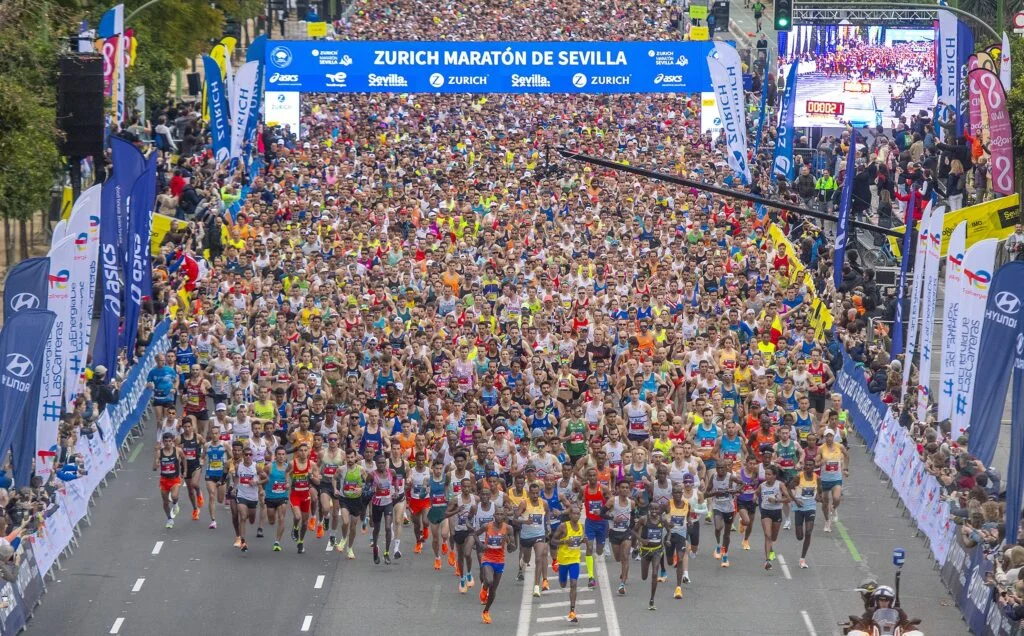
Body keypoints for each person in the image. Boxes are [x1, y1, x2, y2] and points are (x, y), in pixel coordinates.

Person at [477, 507, 517, 625]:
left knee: (494, 589)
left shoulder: (508, 528)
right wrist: (481, 545)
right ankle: (484, 588)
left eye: (501, 514)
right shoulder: (487, 526)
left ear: (504, 516)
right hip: (488, 558)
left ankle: (486, 611)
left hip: (499, 560)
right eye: (497, 514)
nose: (499, 516)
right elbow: (475, 534)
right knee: (489, 580)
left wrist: (509, 542)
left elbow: (512, 549)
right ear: (494, 515)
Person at [551, 501, 585, 622]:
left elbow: (579, 541)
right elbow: (553, 541)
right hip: (563, 560)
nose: (576, 515)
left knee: (574, 584)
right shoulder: (563, 526)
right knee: (563, 584)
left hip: (575, 560)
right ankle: (560, 575)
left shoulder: (581, 527)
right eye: (574, 513)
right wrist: (565, 542)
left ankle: (572, 610)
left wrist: (583, 541)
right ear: (570, 515)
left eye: (578, 513)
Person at [633, 501, 668, 611]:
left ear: (659, 510)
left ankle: (652, 600)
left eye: (656, 509)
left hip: (657, 551)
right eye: (652, 509)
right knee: (644, 577)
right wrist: (641, 540)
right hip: (645, 551)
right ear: (649, 509)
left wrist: (668, 540)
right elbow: (633, 531)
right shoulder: (644, 519)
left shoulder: (662, 520)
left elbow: (669, 531)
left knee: (654, 573)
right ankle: (645, 573)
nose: (654, 511)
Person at [707, 462, 743, 568]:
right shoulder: (713, 477)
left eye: (722, 468)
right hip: (717, 506)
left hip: (729, 508)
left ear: (726, 469)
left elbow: (742, 483)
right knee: (718, 527)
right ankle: (718, 545)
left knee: (727, 534)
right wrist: (714, 493)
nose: (720, 470)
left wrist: (736, 490)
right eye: (718, 468)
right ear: (716, 469)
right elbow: (706, 493)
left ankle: (725, 555)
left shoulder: (730, 477)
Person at [287, 442, 321, 554]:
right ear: (298, 452)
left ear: (309, 452)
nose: (303, 453)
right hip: (295, 495)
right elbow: (286, 474)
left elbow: (317, 481)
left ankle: (301, 542)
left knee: (305, 523)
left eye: (305, 450)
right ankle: (295, 527)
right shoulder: (292, 463)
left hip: (306, 496)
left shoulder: (312, 464)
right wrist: (287, 482)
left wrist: (311, 475)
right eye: (300, 450)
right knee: (297, 517)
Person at [756, 465, 791, 570]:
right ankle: (767, 561)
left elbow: (788, 499)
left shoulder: (780, 485)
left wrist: (777, 500)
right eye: (766, 474)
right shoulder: (762, 486)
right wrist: (754, 498)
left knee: (773, 537)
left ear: (775, 476)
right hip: (765, 512)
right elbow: (756, 494)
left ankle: (771, 549)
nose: (767, 476)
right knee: (768, 534)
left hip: (776, 512)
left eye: (769, 474)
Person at [817, 428, 849, 533]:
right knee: (825, 503)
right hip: (825, 478)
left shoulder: (839, 446)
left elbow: (847, 455)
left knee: (836, 498)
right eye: (827, 436)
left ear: (833, 436)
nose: (829, 438)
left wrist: (845, 468)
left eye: (831, 436)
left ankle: (834, 508)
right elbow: (817, 462)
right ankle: (827, 521)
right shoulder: (821, 448)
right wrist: (822, 461)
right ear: (825, 437)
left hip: (836, 477)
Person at [607, 478, 635, 595]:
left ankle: (622, 583)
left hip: (626, 533)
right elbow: (603, 514)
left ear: (629, 490)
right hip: (614, 532)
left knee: (625, 557)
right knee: (618, 558)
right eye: (622, 487)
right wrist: (613, 518)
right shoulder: (612, 501)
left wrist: (631, 529)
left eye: (627, 488)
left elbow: (633, 518)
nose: (625, 490)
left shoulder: (631, 503)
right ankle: (623, 573)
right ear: (618, 489)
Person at [153, 432, 185, 528]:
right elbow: (154, 468)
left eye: (169, 441)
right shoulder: (160, 452)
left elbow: (184, 459)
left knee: (174, 496)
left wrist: (184, 470)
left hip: (174, 478)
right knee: (165, 501)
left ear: (173, 441)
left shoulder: (178, 451)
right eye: (166, 441)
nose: (167, 443)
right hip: (164, 480)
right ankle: (169, 519)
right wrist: (156, 463)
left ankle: (175, 504)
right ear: (163, 442)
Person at [791, 458, 818, 568]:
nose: (808, 467)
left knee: (808, 531)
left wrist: (820, 497)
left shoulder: (817, 478)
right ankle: (800, 536)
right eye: (806, 465)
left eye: (810, 465)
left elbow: (819, 490)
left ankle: (802, 559)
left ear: (814, 466)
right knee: (799, 536)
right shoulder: (798, 477)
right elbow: (789, 488)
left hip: (811, 507)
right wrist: (795, 500)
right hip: (799, 508)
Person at [263, 446, 291, 551]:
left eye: (283, 454)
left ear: (285, 456)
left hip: (282, 496)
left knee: (281, 518)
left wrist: (288, 484)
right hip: (270, 496)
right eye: (279, 454)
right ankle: (271, 519)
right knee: (271, 520)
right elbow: (262, 477)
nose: (281, 456)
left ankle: (277, 542)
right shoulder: (269, 466)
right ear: (276, 456)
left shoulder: (288, 467)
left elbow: (295, 478)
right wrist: (262, 489)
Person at [666, 482, 691, 599]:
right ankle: (671, 559)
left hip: (681, 535)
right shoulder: (668, 504)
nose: (677, 494)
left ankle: (678, 588)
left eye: (679, 492)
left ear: (682, 493)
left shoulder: (686, 504)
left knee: (680, 559)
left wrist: (689, 521)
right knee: (670, 561)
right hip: (670, 536)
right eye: (675, 492)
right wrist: (666, 523)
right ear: (672, 494)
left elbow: (689, 516)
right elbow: (660, 516)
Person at [233, 444, 260, 552]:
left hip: (253, 497)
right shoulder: (238, 466)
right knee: (243, 516)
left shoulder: (256, 467)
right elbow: (236, 477)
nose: (248, 456)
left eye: (250, 454)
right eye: (246, 454)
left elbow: (265, 479)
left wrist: (256, 482)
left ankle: (250, 517)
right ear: (243, 456)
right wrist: (235, 487)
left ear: (252, 456)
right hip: (241, 495)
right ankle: (243, 541)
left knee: (252, 519)